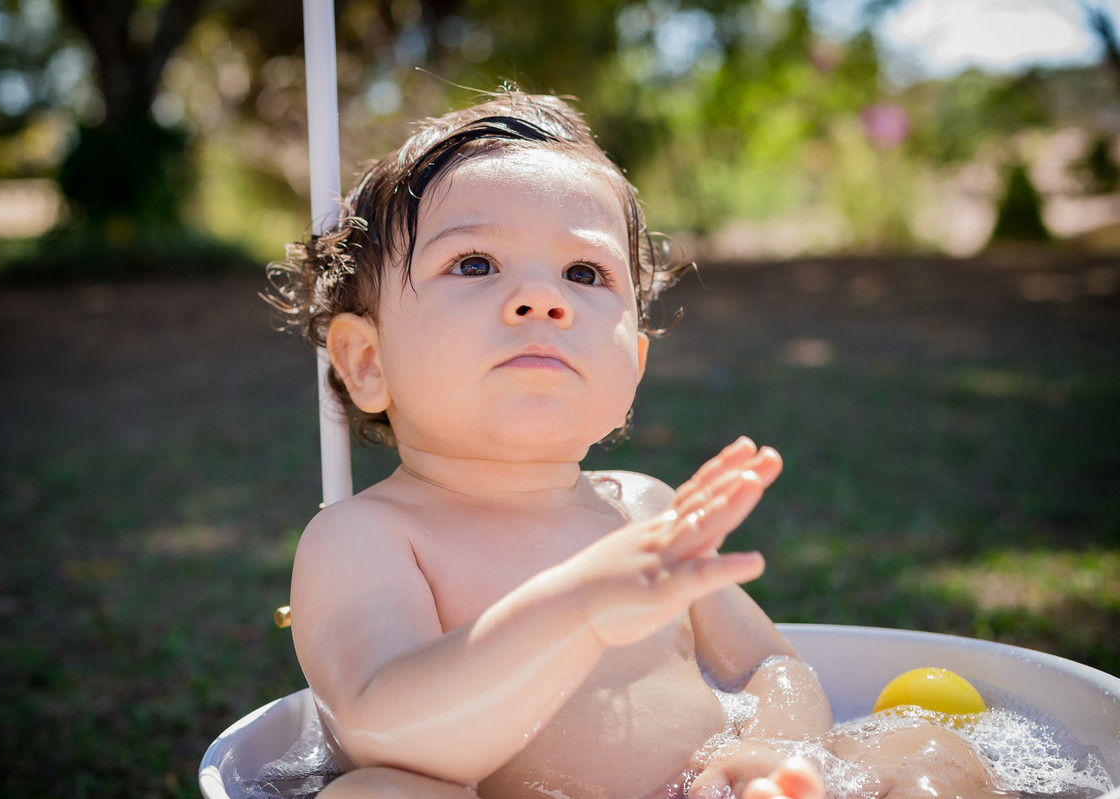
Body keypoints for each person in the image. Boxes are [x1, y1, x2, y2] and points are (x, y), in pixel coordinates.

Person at [268, 90, 1012, 799]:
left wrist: (773, 746)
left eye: (584, 272)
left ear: (635, 364)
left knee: (926, 741)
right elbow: (383, 727)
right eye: (474, 264)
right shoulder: (366, 538)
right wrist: (581, 605)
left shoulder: (646, 513)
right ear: (367, 361)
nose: (542, 298)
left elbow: (773, 666)